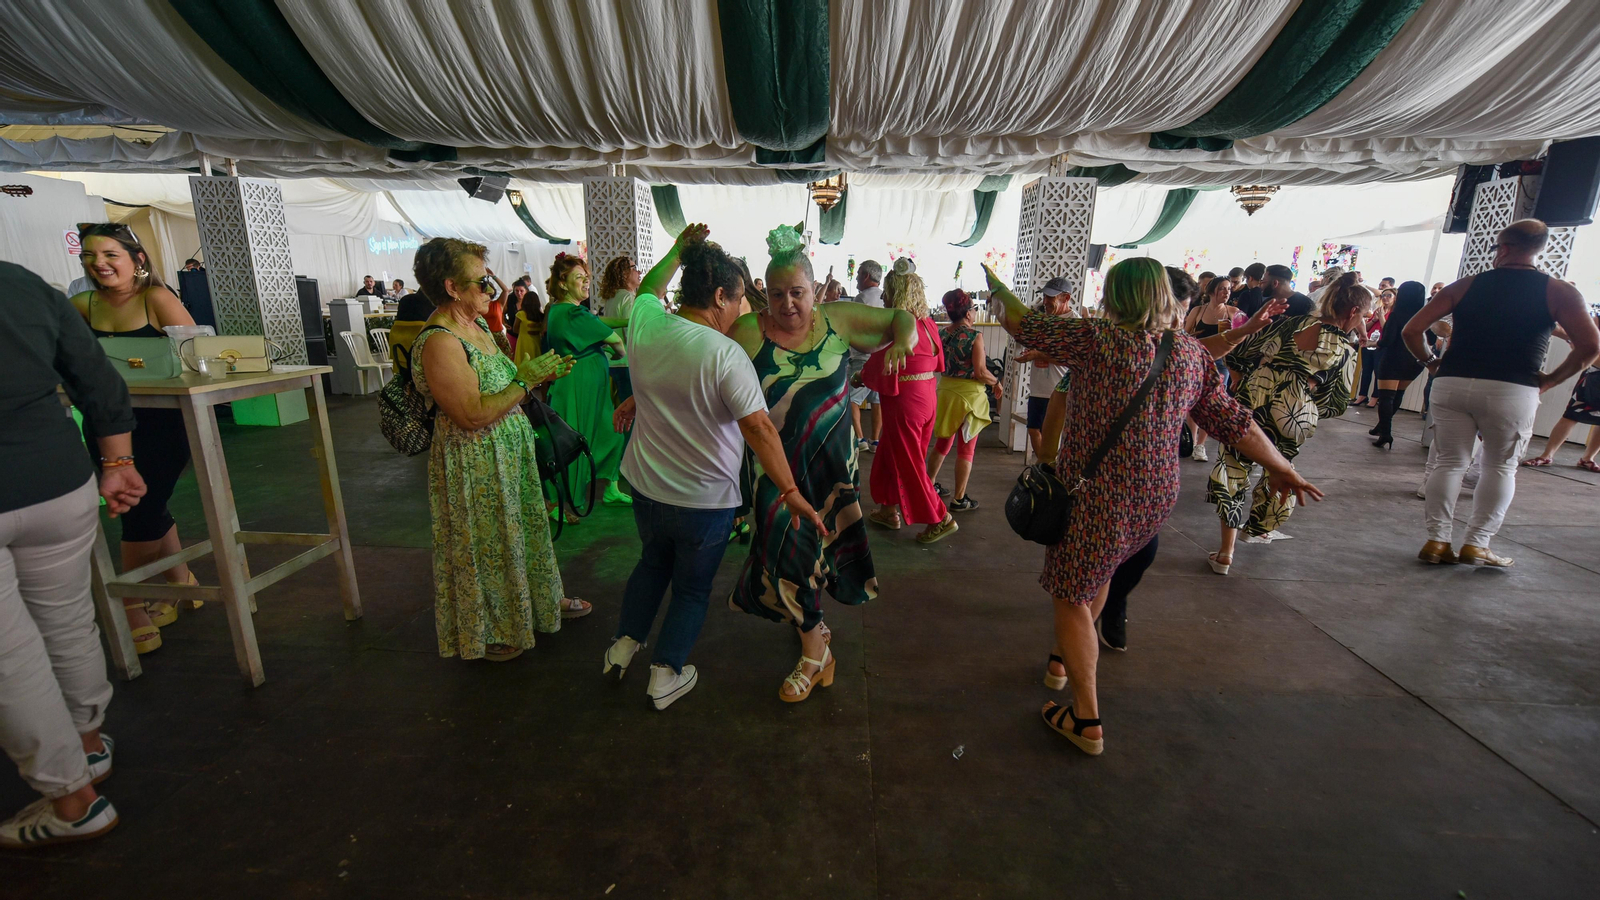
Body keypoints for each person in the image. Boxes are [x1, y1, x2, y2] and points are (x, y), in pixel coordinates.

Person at [989, 258, 1319, 756]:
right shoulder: (1188, 354)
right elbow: (1235, 422)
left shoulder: (1095, 340)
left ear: (1116, 297)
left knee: (1070, 592)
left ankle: (1086, 719)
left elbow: (1020, 322)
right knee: (1096, 576)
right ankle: (1062, 662)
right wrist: (1281, 466)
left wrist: (994, 285)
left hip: (1098, 493)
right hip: (1156, 495)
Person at [605, 225, 824, 710]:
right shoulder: (723, 354)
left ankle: (622, 648)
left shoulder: (646, 321)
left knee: (651, 563)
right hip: (703, 503)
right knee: (690, 589)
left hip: (646, 487)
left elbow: (648, 289)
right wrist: (790, 491)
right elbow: (761, 430)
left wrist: (679, 250)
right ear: (720, 296)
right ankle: (665, 676)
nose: (742, 311)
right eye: (741, 300)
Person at [727, 225, 912, 702]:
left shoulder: (838, 320)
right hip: (775, 470)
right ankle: (817, 654)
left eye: (798, 292)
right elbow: (708, 367)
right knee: (787, 551)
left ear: (816, 291)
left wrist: (906, 344)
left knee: (814, 555)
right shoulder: (749, 331)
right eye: (776, 294)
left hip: (833, 471)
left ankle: (815, 637)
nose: (788, 303)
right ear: (762, 294)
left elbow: (899, 318)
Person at [0, 262, 147, 848]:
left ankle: (71, 799)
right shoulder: (18, 283)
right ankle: (88, 747)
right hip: (58, 482)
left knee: (9, 657)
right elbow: (96, 377)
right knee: (65, 618)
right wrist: (118, 461)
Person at [410, 238, 586, 662]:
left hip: (508, 454)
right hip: (475, 463)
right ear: (452, 287)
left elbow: (506, 388)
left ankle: (538, 601)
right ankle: (493, 627)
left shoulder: (478, 326)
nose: (491, 289)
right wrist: (524, 380)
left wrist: (537, 375)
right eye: (482, 281)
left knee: (522, 531)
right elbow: (470, 414)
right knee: (486, 543)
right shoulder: (440, 340)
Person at [1404, 220, 1600, 566]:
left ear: (1504, 247)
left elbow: (1412, 330)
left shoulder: (1465, 285)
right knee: (1500, 467)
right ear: (1538, 249)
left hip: (1451, 384)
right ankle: (1476, 544)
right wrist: (1550, 380)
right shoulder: (1558, 292)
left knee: (1449, 463)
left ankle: (1436, 542)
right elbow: (1589, 347)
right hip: (1513, 388)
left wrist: (1431, 362)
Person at [69, 223, 200, 653]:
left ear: (137, 259)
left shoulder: (157, 298)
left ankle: (130, 601)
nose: (99, 264)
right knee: (142, 505)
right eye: (90, 256)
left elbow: (197, 358)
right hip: (107, 424)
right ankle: (180, 580)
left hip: (164, 422)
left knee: (142, 506)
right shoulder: (82, 305)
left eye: (110, 254)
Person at [1207, 273, 1365, 568]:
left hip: (1255, 393)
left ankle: (1225, 553)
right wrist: (1307, 404)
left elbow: (1241, 353)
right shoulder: (1346, 348)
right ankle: (1258, 530)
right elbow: (1337, 402)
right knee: (1279, 469)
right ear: (1354, 311)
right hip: (1296, 407)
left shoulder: (1292, 322)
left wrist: (1245, 384)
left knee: (1233, 468)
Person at [866, 261, 958, 543]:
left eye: (887, 292)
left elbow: (880, 360)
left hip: (904, 401)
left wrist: (860, 376)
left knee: (910, 464)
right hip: (927, 397)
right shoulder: (928, 324)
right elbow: (938, 362)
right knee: (891, 455)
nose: (883, 298)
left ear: (895, 293)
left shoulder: (899, 324)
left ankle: (940, 518)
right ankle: (888, 510)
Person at [543, 253, 631, 508]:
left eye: (586, 277)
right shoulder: (571, 313)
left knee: (608, 433)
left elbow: (597, 321)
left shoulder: (565, 310)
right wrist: (617, 351)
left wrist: (627, 320)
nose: (585, 282)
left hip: (586, 385)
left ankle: (609, 488)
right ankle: (567, 499)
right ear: (562, 283)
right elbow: (617, 342)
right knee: (576, 438)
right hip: (579, 386)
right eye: (578, 278)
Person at [927, 288, 1000, 511]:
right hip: (970, 397)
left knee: (942, 442)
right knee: (966, 448)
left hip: (946, 391)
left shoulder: (941, 334)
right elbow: (980, 371)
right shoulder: (973, 336)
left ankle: (928, 486)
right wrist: (996, 382)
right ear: (967, 313)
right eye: (974, 309)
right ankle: (959, 499)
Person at [1522, 304, 1600, 471]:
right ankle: (1547, 455)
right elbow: (1591, 344)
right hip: (1594, 376)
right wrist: (1570, 338)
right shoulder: (1597, 315)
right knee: (1571, 415)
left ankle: (1588, 458)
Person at [1183, 275, 1240, 462]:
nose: (1226, 292)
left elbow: (1244, 337)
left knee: (1212, 402)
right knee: (1193, 401)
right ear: (1211, 291)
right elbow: (1185, 334)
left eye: (1229, 289)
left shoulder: (1233, 313)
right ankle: (1191, 439)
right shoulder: (1198, 311)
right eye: (1222, 288)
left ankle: (1200, 445)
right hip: (1197, 361)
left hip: (1221, 364)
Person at [1018, 277, 1073, 461]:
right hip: (1038, 386)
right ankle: (1045, 467)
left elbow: (1071, 359)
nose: (1046, 301)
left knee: (1055, 433)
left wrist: (1039, 355)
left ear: (1066, 298)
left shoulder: (1075, 323)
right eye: (1045, 297)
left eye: (1051, 297)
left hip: (1059, 388)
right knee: (1034, 428)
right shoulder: (1043, 320)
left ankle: (1048, 469)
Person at [1367, 281, 1428, 447]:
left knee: (1386, 397)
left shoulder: (1396, 314)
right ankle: (1381, 427)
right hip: (1414, 360)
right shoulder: (1425, 316)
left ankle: (1386, 433)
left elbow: (1387, 340)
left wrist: (1375, 344)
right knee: (1398, 395)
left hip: (1393, 358)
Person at [848, 260, 887, 451]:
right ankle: (875, 440)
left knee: (851, 398)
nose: (856, 278)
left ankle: (860, 438)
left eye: (858, 274)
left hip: (862, 356)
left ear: (865, 276)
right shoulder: (886, 298)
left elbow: (854, 326)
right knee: (876, 400)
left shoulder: (861, 298)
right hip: (881, 357)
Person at [1353, 289, 1391, 407]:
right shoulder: (1377, 310)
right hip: (1369, 342)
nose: (1385, 298)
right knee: (1366, 370)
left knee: (1377, 370)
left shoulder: (1393, 314)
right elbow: (1367, 328)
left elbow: (1388, 330)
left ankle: (1375, 396)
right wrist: (1374, 318)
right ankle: (1362, 394)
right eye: (1383, 295)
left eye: (1389, 295)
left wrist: (1381, 317)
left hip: (1381, 344)